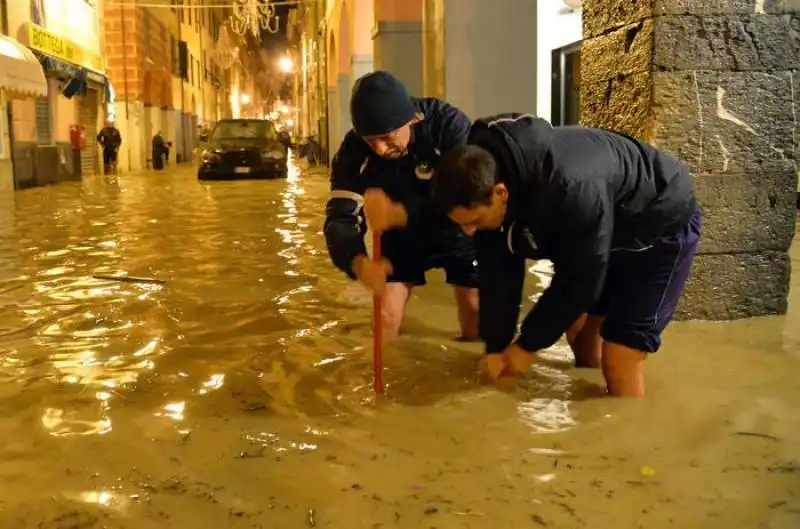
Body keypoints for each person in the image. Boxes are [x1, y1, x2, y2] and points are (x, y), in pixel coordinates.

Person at [431, 114, 701, 396]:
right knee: (580, 337)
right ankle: (588, 423)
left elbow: (579, 279)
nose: (469, 232)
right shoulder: (485, 176)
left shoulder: (569, 187)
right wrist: (498, 349)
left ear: (500, 193)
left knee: (619, 356)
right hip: (608, 224)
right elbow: (498, 276)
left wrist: (527, 346)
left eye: (473, 221)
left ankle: (626, 426)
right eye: (461, 224)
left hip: (662, 221)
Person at [324, 71, 479, 341]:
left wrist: (403, 213)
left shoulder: (447, 126)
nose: (380, 149)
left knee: (476, 318)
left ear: (413, 119)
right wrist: (358, 262)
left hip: (456, 229)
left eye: (387, 136)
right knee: (385, 319)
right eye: (370, 140)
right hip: (400, 240)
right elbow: (340, 217)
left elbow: (468, 195)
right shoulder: (352, 152)